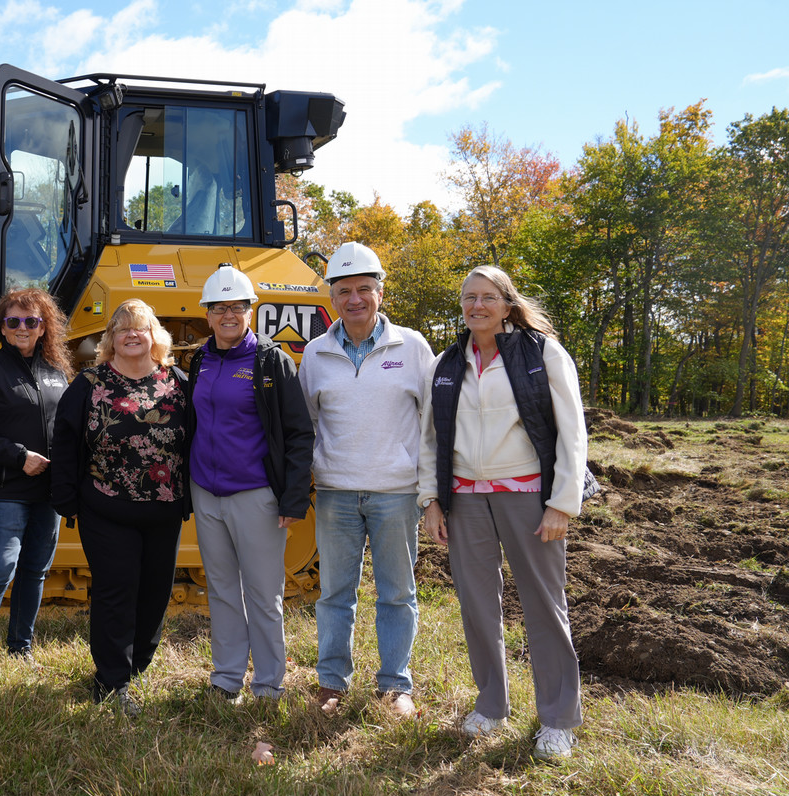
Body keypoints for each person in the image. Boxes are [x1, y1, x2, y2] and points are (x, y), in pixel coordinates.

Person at [419, 264, 588, 759]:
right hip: (465, 498)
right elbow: (429, 439)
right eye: (469, 298)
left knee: (543, 603)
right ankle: (492, 705)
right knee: (476, 604)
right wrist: (431, 500)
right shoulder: (446, 363)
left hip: (529, 495)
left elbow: (572, 431)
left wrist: (562, 502)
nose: (476, 306)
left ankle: (557, 719)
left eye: (487, 297)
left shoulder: (542, 353)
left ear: (508, 304)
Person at [298, 242, 433, 718]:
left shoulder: (412, 347)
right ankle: (332, 684)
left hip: (397, 493)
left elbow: (432, 423)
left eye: (363, 289)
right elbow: (306, 425)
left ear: (380, 291)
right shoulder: (315, 353)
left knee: (397, 592)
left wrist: (431, 491)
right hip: (335, 492)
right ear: (332, 296)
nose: (354, 299)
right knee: (335, 593)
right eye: (343, 291)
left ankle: (396, 686)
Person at [51, 299, 189, 716]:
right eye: (123, 328)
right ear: (110, 339)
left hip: (164, 511)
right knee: (117, 591)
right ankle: (111, 681)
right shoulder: (90, 383)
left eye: (141, 327)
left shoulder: (179, 381)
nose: (132, 334)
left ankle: (137, 666)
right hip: (105, 507)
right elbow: (65, 442)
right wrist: (66, 499)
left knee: (155, 593)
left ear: (154, 337)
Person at [185, 263, 314, 702]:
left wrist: (293, 498)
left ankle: (268, 684)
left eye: (237, 307)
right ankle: (226, 678)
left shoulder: (270, 361)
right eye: (219, 308)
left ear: (250, 311)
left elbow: (298, 432)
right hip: (207, 492)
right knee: (221, 589)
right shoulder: (200, 359)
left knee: (262, 593)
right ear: (207, 313)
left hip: (256, 494)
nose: (228, 315)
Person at [0, 287, 72, 682]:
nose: (23, 328)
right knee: (0, 568)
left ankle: (20, 647)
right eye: (14, 321)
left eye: (31, 321)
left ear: (44, 328)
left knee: (35, 570)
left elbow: (69, 430)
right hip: (6, 487)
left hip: (49, 492)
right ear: (2, 329)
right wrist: (19, 457)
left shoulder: (57, 372)